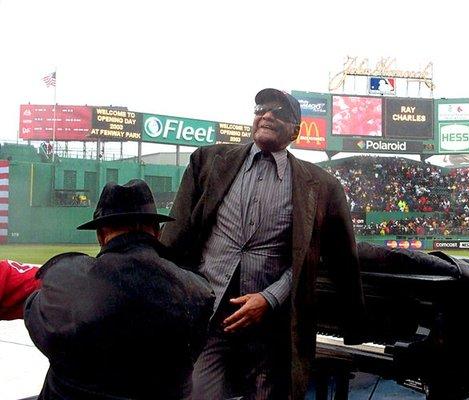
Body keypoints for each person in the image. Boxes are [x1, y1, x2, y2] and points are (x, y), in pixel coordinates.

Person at [161, 88, 366, 400]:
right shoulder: (208, 161)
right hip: (209, 317)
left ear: (296, 130)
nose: (268, 114)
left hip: (274, 330)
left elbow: (327, 257)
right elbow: (175, 237)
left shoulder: (322, 186)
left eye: (280, 112)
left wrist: (270, 298)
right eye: (262, 107)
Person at [24, 179, 215, 400]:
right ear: (157, 232)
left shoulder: (66, 281)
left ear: (101, 235)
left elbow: (36, 319)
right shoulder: (197, 292)